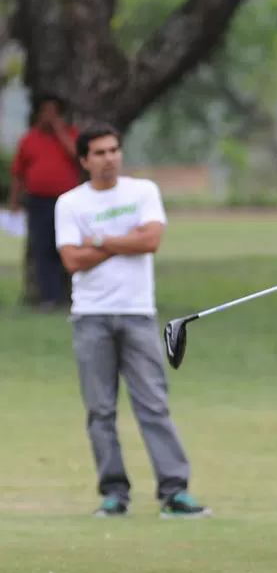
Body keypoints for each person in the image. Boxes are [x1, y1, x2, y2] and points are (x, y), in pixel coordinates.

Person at [54, 124, 210, 519]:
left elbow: (151, 241)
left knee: (153, 405)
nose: (109, 158)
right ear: (85, 159)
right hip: (90, 317)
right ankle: (114, 493)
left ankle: (174, 492)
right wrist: (127, 238)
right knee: (100, 410)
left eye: (114, 150)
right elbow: (72, 260)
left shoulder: (143, 192)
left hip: (138, 313)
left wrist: (101, 241)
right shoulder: (70, 203)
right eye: (100, 153)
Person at [9, 94, 80, 309]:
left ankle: (75, 295)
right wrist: (14, 200)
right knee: (43, 248)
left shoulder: (71, 135)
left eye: (53, 111)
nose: (48, 116)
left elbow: (78, 156)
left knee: (69, 246)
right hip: (39, 202)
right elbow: (18, 173)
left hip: (68, 202)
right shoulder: (29, 139)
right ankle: (51, 298)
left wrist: (59, 130)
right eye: (45, 111)